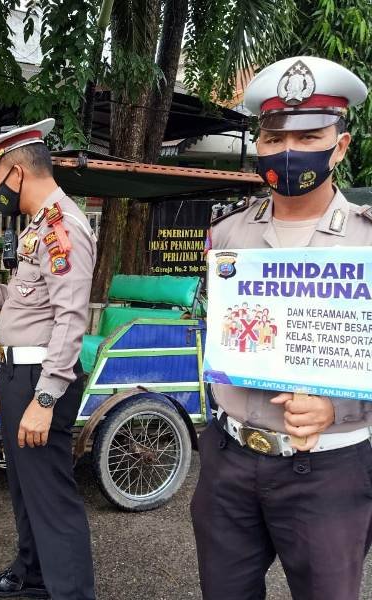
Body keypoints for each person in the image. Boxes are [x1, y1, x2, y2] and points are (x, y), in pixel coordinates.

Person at [193, 56, 372, 600]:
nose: (288, 151)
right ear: (259, 145)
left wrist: (338, 406)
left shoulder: (366, 241)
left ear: (340, 145)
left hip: (329, 471)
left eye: (310, 134)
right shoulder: (227, 236)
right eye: (273, 138)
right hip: (228, 460)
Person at [0, 119, 97, 600]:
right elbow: (22, 299)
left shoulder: (62, 228)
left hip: (40, 376)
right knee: (27, 490)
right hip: (20, 371)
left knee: (51, 497)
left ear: (15, 173)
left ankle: (70, 591)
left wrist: (45, 398)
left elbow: (72, 319)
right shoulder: (39, 228)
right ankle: (32, 575)